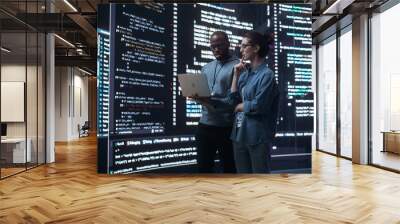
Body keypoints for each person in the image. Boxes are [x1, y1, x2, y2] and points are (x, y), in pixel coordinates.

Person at [228, 31, 279, 173]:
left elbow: (259, 106)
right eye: (241, 46)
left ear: (256, 48)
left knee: (260, 179)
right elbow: (233, 100)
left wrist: (240, 106)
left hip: (257, 135)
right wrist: (235, 76)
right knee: (243, 178)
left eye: (244, 46)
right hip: (239, 133)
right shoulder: (244, 74)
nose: (241, 49)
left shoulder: (267, 74)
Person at [192, 31, 239, 173]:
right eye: (213, 47)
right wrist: (197, 97)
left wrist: (211, 102)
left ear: (228, 44)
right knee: (203, 169)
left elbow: (235, 101)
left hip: (227, 128)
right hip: (204, 127)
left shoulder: (238, 66)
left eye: (219, 45)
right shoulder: (206, 68)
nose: (216, 49)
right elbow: (205, 95)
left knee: (230, 169)